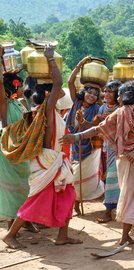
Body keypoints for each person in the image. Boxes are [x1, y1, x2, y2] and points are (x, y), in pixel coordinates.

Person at [60, 80, 134, 245]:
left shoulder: (119, 113)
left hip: (123, 158)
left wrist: (76, 136)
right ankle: (125, 237)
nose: (118, 98)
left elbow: (98, 129)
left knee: (129, 194)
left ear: (125, 96)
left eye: (119, 94)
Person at [2, 45, 82, 249]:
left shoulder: (38, 110)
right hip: (49, 161)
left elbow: (56, 85)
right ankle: (10, 235)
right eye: (55, 92)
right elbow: (58, 82)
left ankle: (62, 236)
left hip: (54, 160)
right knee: (37, 201)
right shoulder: (46, 109)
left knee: (68, 196)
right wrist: (50, 59)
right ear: (49, 95)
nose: (59, 93)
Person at [0, 47, 38, 234]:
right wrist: (1, 61)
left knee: (27, 185)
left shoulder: (20, 103)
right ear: (11, 88)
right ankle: (10, 228)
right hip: (9, 153)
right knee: (13, 189)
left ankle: (26, 219)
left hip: (23, 151)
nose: (23, 88)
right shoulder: (4, 105)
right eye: (20, 85)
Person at [66, 57, 104, 215]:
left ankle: (78, 201)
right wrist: (80, 64)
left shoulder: (97, 108)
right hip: (74, 144)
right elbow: (70, 82)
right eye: (89, 92)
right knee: (74, 175)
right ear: (84, 91)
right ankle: (74, 202)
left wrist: (83, 121)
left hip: (88, 145)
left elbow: (93, 126)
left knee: (83, 175)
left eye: (96, 94)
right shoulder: (76, 101)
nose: (92, 95)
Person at [96, 80, 121, 223]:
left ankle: (108, 211)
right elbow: (96, 126)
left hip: (119, 146)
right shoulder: (102, 108)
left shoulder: (122, 108)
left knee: (113, 177)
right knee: (109, 178)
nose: (106, 94)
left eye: (110, 91)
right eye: (105, 91)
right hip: (107, 147)